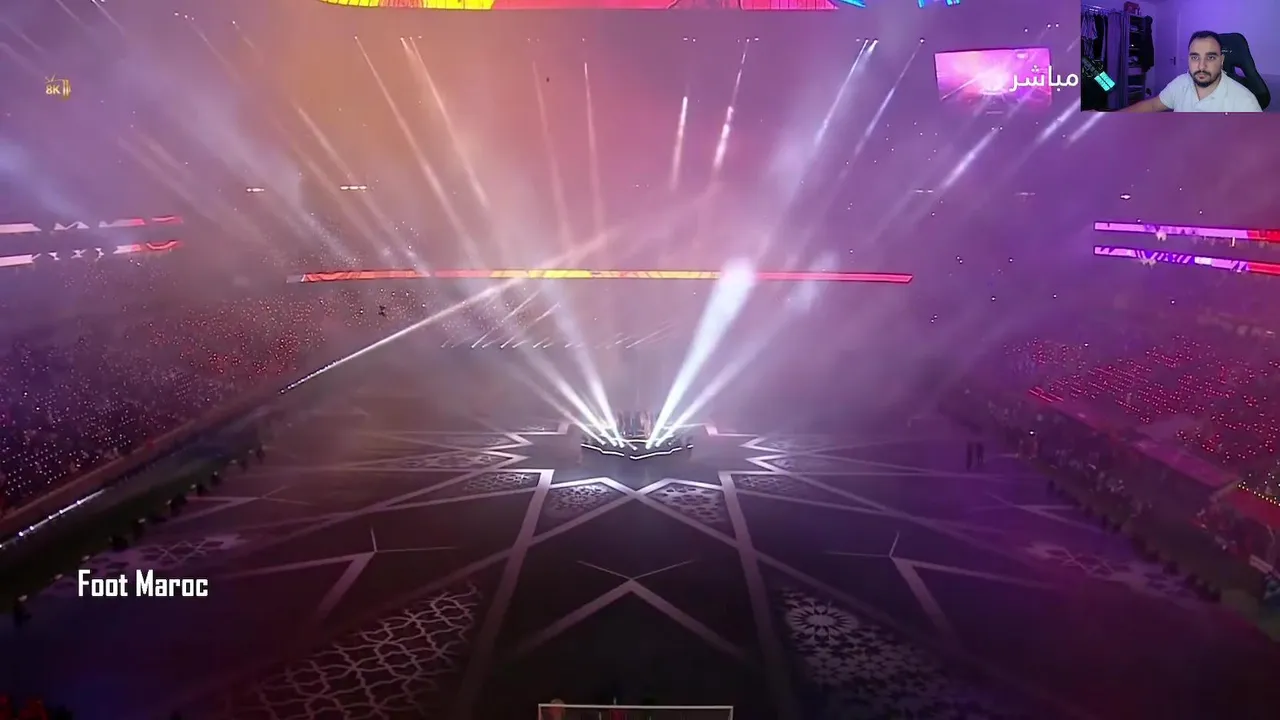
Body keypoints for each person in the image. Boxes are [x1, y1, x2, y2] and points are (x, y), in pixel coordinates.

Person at [1122, 31, 1262, 113]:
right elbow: (1152, 105)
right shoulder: (1180, 83)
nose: (1201, 66)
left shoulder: (1245, 103)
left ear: (1221, 60)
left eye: (1210, 57)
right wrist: (1114, 119)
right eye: (1195, 57)